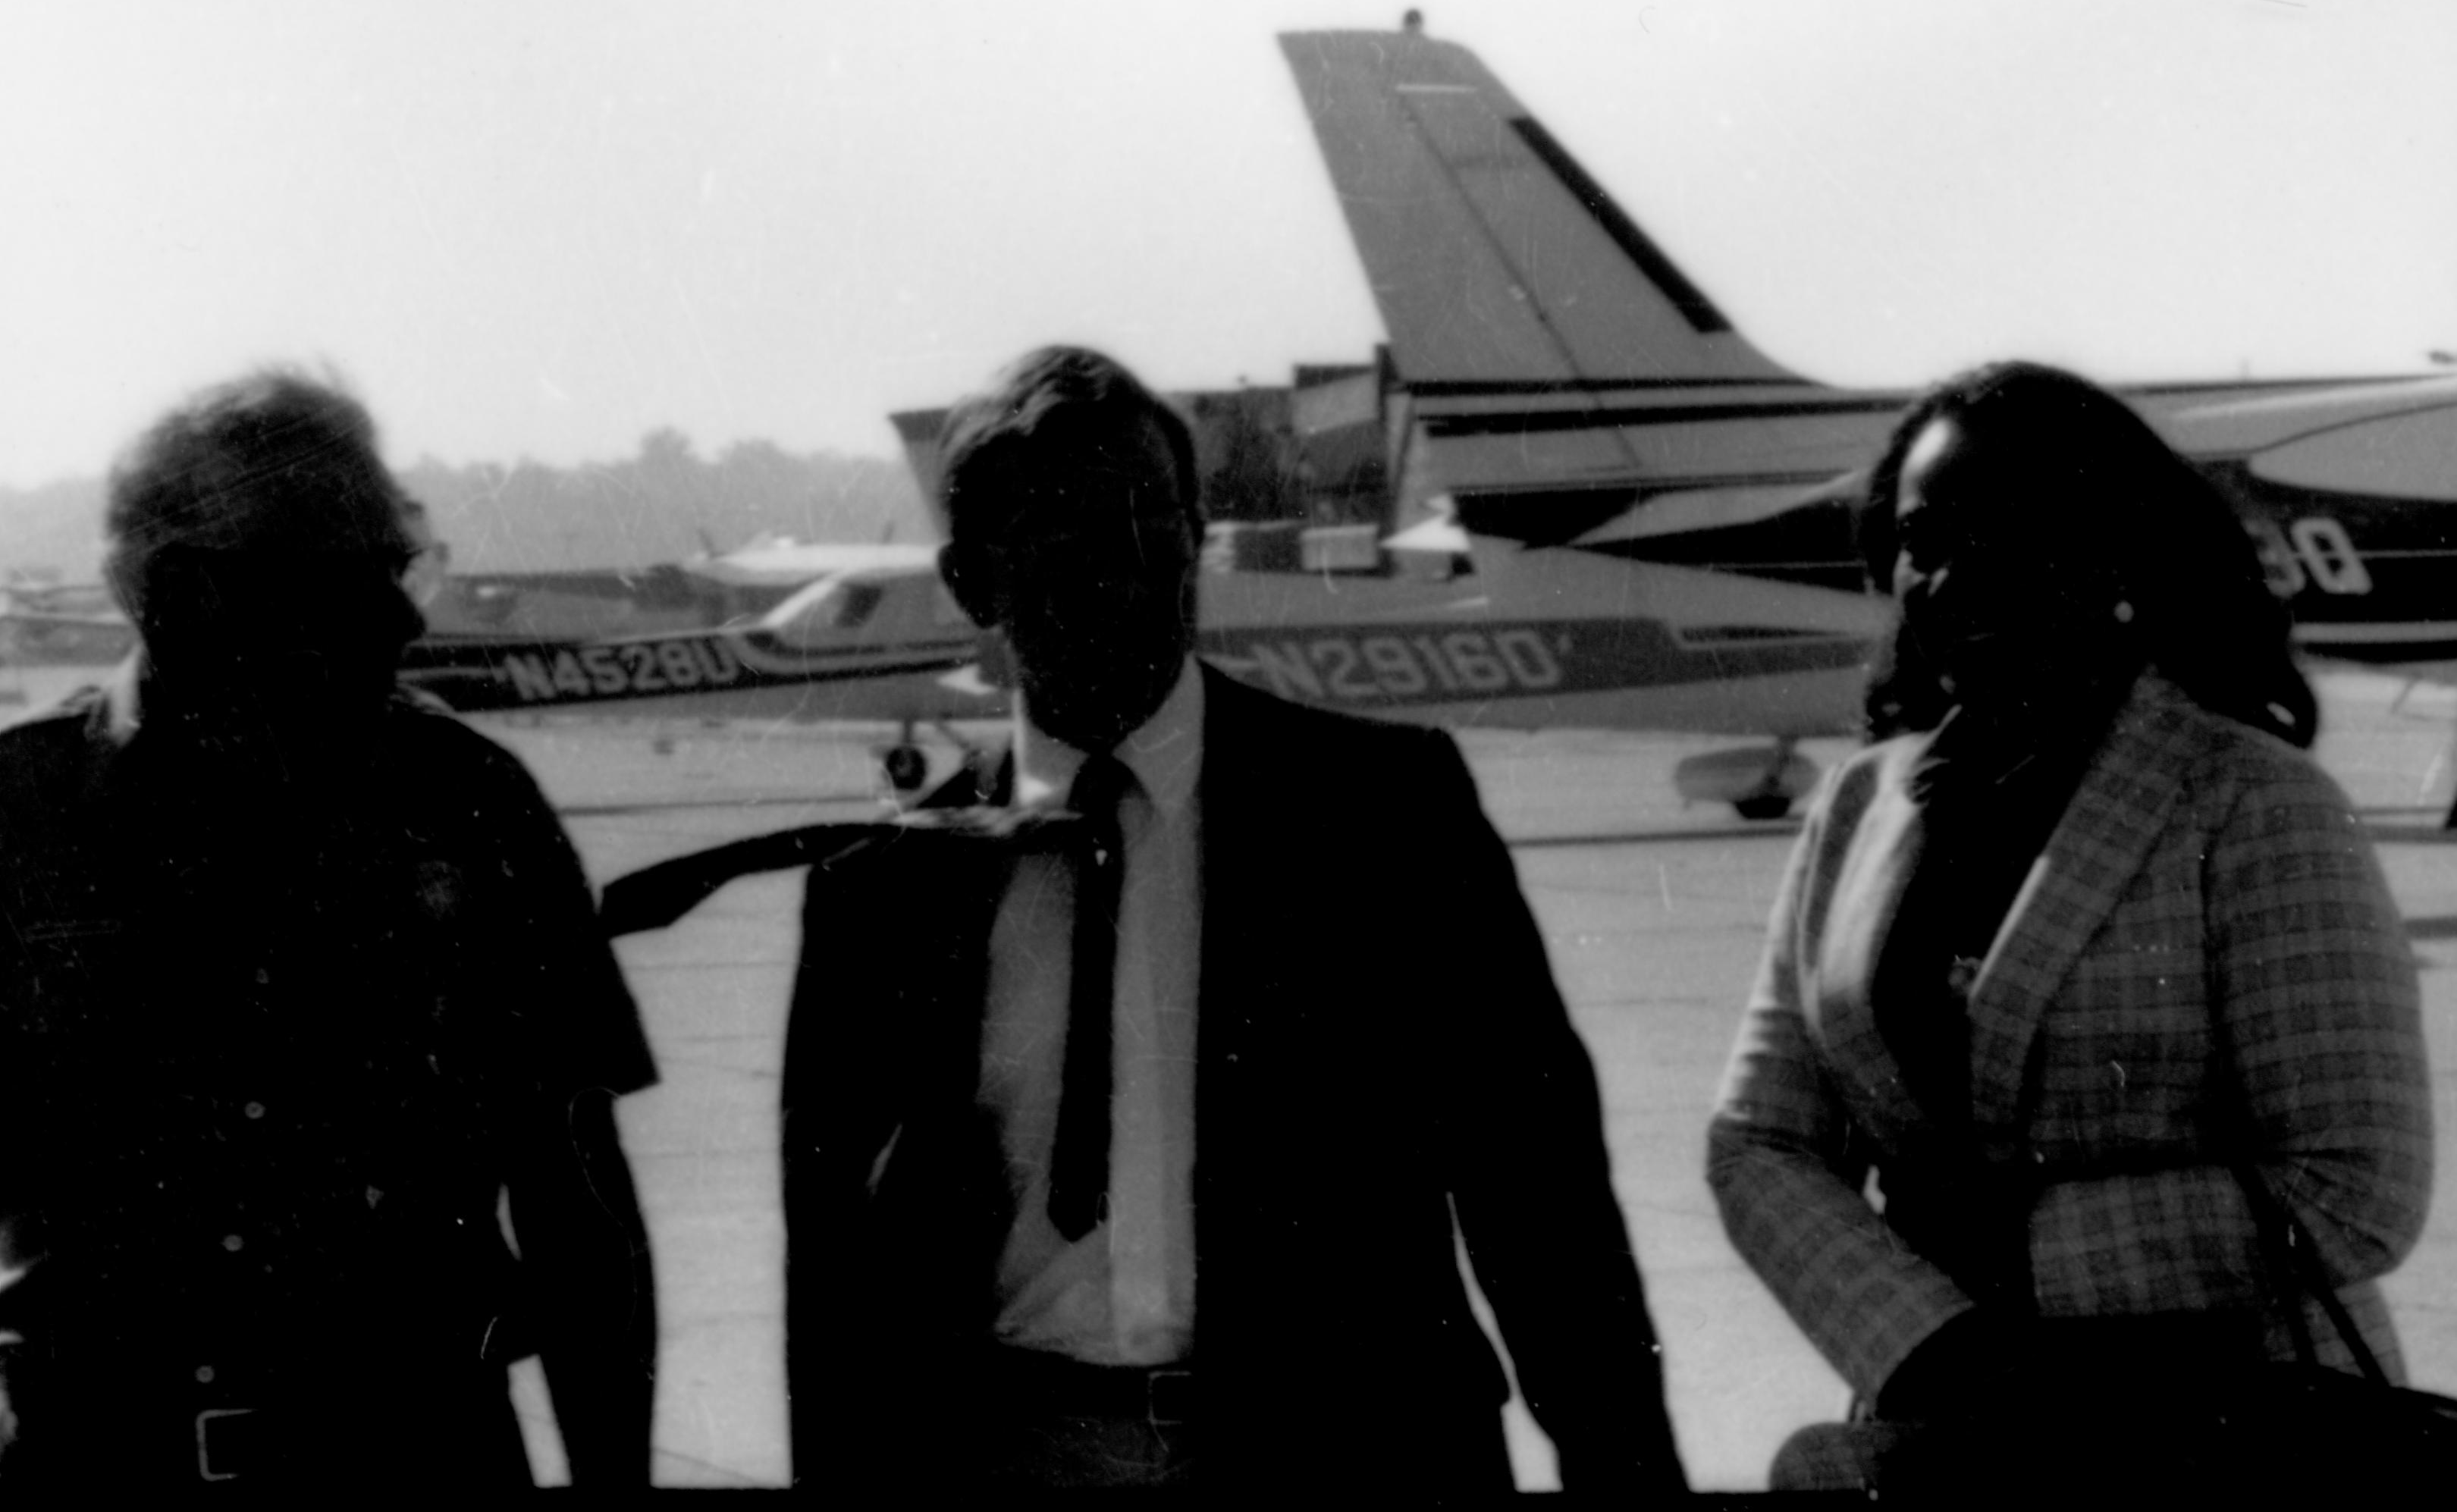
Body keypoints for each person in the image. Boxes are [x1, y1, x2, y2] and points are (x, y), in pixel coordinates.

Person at [778, 346, 1686, 1495]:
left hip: (1345, 1462)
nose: (1127, 558)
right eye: (1065, 522)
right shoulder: (886, 888)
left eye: (1155, 513)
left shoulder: (1384, 811)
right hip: (1015, 1454)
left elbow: (1542, 1208)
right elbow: (834, 1295)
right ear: (972, 581)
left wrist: (1635, 1477)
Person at [1706, 361, 2433, 1492]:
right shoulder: (1858, 808)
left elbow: (2355, 1186)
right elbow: (1763, 1141)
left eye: (2015, 530)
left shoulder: (2250, 802)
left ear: (2118, 551)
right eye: (1923, 537)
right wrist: (1939, 1348)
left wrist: (2015, 1257)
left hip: (2241, 1429)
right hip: (1954, 1411)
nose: (1954, 575)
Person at [0, 371, 658, 1488]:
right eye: (353, 580)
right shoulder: (24, 820)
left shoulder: (470, 807)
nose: (405, 617)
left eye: (404, 568)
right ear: (186, 593)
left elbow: (581, 1216)